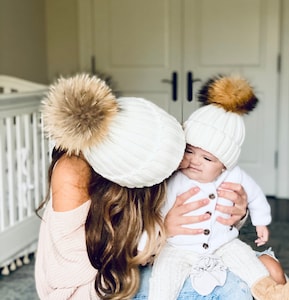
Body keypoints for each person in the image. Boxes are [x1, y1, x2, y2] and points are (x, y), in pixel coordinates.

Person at [35, 73, 253, 300]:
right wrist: (162, 233)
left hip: (144, 255)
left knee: (260, 267)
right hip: (95, 284)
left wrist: (234, 211)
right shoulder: (73, 172)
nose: (187, 164)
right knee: (230, 286)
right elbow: (71, 292)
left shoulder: (160, 144)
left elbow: (203, 205)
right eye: (178, 162)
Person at [148, 74, 289, 300]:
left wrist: (259, 220)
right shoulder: (171, 176)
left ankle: (274, 293)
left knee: (247, 260)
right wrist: (159, 230)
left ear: (223, 167)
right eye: (189, 151)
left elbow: (256, 197)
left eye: (207, 159)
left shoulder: (233, 176)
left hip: (222, 242)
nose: (195, 161)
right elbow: (156, 210)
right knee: (163, 279)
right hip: (176, 246)